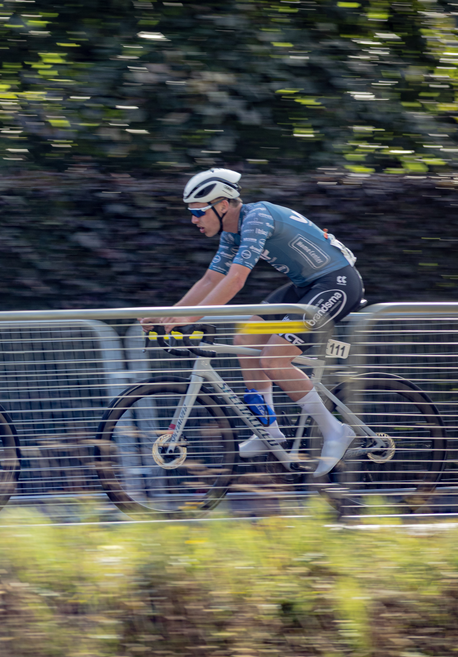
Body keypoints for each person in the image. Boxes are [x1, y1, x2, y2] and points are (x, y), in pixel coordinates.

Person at [143, 168, 364, 476]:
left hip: (336, 285)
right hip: (306, 287)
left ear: (222, 205)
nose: (193, 219)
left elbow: (235, 280)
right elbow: (211, 280)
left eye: (198, 211)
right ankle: (268, 429)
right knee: (245, 339)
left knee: (274, 360)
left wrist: (188, 318)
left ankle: (336, 431)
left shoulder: (257, 217)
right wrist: (171, 315)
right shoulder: (231, 232)